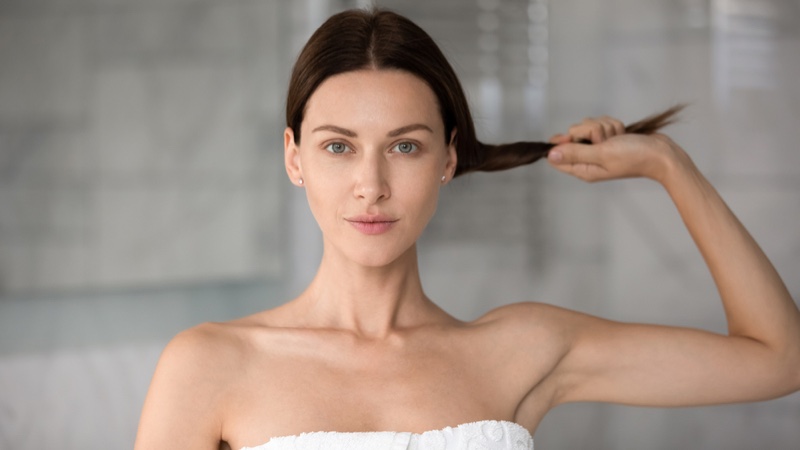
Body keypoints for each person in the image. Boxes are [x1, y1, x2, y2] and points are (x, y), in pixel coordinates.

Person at [134, 8, 800, 450]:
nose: (371, 184)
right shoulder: (211, 365)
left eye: (405, 146)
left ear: (448, 159)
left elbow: (778, 359)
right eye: (339, 146)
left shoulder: (523, 349)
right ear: (293, 157)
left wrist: (668, 165)